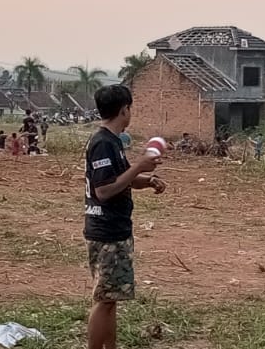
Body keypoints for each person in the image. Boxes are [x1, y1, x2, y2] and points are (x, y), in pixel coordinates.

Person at [84, 85, 164, 349]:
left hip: (116, 229)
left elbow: (122, 179)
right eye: (130, 108)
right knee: (104, 299)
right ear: (124, 110)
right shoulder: (103, 143)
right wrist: (140, 166)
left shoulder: (113, 142)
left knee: (111, 297)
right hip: (106, 231)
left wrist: (147, 179)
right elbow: (105, 190)